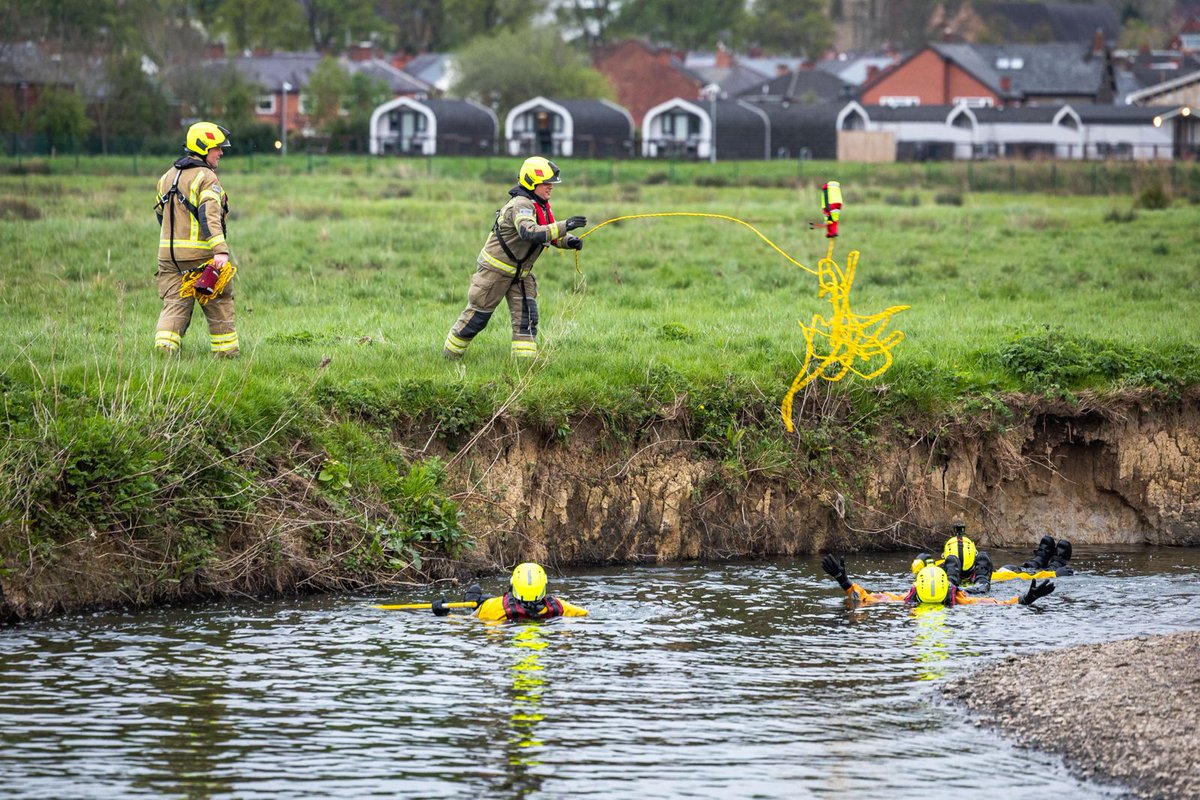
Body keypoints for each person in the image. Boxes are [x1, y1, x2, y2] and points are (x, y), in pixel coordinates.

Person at [442, 157, 586, 360]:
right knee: (477, 319)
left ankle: (524, 365)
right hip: (495, 272)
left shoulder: (541, 205)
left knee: (527, 319)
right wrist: (565, 225)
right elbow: (530, 232)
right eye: (546, 183)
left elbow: (548, 233)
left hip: (520, 274)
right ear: (531, 182)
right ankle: (449, 357)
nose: (551, 187)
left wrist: (569, 241)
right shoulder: (521, 205)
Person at [153, 121, 240, 357]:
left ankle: (163, 353)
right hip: (200, 257)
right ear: (203, 148)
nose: (221, 152)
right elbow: (209, 216)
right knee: (219, 301)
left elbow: (161, 215)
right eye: (217, 148)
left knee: (175, 304)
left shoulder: (167, 177)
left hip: (168, 259)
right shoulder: (207, 178)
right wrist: (220, 250)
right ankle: (226, 354)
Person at [822, 554, 1055, 607]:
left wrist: (844, 581)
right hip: (966, 588)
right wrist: (1025, 599)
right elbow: (998, 603)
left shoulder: (906, 599)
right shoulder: (960, 599)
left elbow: (865, 598)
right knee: (980, 576)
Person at [910, 522, 1074, 594]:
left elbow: (918, 570)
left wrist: (920, 559)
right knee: (1014, 570)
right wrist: (1054, 573)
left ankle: (1039, 560)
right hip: (1000, 574)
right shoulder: (990, 576)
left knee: (1014, 569)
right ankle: (1050, 562)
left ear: (946, 557)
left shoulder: (938, 570)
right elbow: (1028, 577)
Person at [463, 562, 588, 622]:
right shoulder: (559, 606)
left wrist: (472, 602)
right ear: (544, 584)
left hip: (505, 624)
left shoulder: (494, 607)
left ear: (513, 583)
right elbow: (584, 613)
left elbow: (471, 618)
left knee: (478, 597)